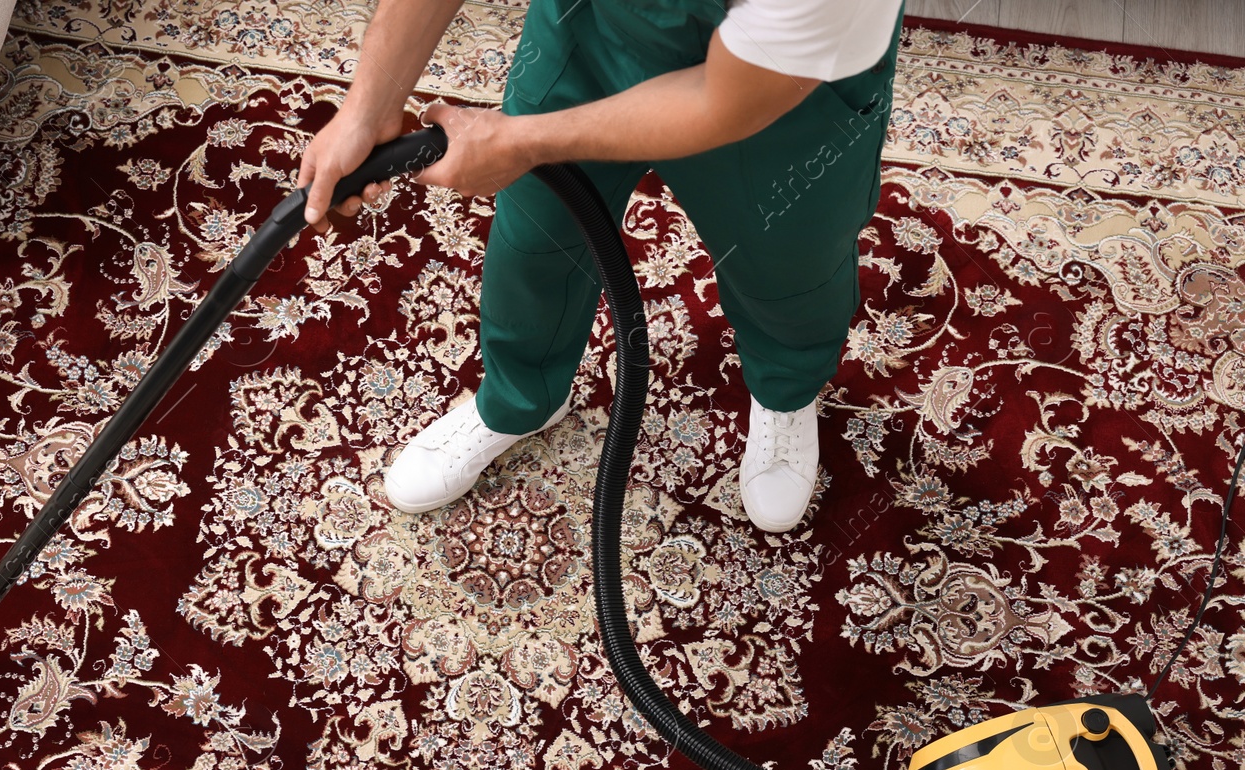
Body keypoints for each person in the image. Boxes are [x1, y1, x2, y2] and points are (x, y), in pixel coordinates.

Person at [297, 0, 904, 533]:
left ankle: (785, 390)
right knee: (538, 230)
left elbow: (724, 99)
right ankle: (520, 398)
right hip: (594, 22)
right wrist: (366, 108)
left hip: (782, 94)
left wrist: (520, 143)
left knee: (787, 267)